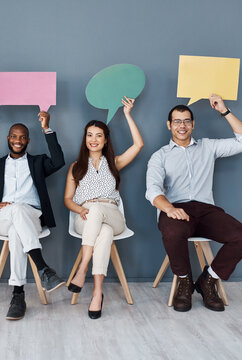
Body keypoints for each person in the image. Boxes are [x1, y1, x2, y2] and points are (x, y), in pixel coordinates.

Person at [146, 94, 242, 312]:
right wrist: (169, 209)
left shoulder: (208, 147)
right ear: (169, 125)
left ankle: (209, 280)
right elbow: (153, 191)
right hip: (176, 208)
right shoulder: (160, 156)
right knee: (173, 232)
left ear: (193, 124)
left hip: (206, 210)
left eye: (186, 121)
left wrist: (224, 110)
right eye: (177, 121)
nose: (182, 125)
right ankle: (184, 282)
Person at [0, 111, 66, 321]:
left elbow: (59, 160)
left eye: (22, 137)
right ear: (8, 138)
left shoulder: (37, 162)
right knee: (15, 211)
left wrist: (47, 128)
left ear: (28, 140)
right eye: (14, 136)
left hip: (31, 216)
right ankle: (43, 268)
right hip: (2, 217)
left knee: (17, 230)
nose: (18, 140)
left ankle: (18, 295)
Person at [64, 97, 143, 319]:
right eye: (89, 135)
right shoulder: (75, 168)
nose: (93, 139)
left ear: (106, 140)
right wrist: (80, 210)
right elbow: (68, 200)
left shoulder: (114, 163)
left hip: (113, 215)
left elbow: (138, 145)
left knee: (99, 212)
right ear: (85, 139)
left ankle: (82, 269)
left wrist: (127, 114)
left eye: (99, 135)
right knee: (103, 233)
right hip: (85, 217)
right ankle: (97, 293)